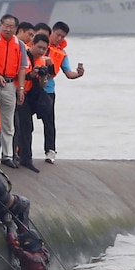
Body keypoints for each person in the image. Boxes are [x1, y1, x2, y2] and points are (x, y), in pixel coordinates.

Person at [0, 14, 28, 169]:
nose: (8, 29)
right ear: (0, 25)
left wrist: (20, 88)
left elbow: (23, 68)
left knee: (8, 122)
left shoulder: (20, 45)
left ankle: (8, 155)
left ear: (16, 28)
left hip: (9, 84)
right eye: (5, 26)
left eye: (11, 27)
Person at [42, 21, 85, 164]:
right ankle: (19, 151)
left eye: (62, 36)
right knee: (23, 122)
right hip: (32, 87)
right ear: (51, 31)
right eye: (57, 34)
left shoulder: (62, 53)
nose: (59, 38)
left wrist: (78, 74)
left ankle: (50, 151)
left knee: (49, 122)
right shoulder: (39, 44)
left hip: (48, 89)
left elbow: (68, 73)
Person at [14, 33, 52, 173]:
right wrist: (31, 75)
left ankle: (24, 157)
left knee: (28, 127)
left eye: (44, 49)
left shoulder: (42, 60)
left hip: (32, 95)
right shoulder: (23, 55)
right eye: (39, 47)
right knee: (21, 126)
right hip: (18, 93)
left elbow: (42, 84)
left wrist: (43, 76)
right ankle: (20, 156)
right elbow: (17, 74)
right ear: (32, 44)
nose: (41, 51)